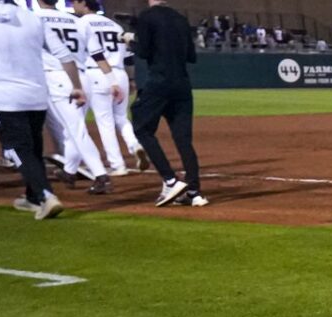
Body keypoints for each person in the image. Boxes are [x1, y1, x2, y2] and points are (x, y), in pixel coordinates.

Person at [0, 0, 83, 218]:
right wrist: (77, 87)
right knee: (34, 146)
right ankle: (33, 197)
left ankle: (46, 196)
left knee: (15, 148)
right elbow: (64, 54)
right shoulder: (32, 18)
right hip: (36, 96)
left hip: (2, 98)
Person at [131, 0, 205, 206]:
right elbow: (191, 56)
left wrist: (130, 40)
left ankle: (170, 180)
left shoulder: (147, 16)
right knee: (183, 139)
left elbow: (143, 51)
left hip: (159, 82)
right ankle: (194, 192)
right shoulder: (181, 19)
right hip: (182, 84)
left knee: (142, 129)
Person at [32, 0, 104, 184]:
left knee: (74, 129)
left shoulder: (34, 18)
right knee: (72, 128)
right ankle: (70, 171)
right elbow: (95, 52)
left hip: (56, 77)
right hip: (82, 76)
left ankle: (101, 175)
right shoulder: (76, 20)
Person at [71, 0, 140, 188]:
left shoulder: (82, 23)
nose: (72, 5)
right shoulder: (114, 24)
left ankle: (118, 165)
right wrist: (131, 79)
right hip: (120, 73)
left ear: (84, 4)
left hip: (97, 72)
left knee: (105, 121)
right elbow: (129, 56)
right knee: (121, 117)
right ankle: (135, 146)